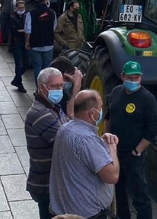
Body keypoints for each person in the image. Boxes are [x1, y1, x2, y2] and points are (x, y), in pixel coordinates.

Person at [49, 90, 120, 219]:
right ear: (92, 113)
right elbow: (112, 176)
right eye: (100, 108)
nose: (101, 112)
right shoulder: (87, 139)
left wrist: (101, 144)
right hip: (86, 214)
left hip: (63, 210)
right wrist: (112, 148)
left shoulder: (64, 128)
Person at [104, 62, 157, 219]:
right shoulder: (115, 92)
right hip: (115, 153)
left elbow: (152, 129)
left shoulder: (147, 99)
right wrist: (107, 141)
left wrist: (138, 150)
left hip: (134, 155)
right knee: (118, 191)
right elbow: (108, 116)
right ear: (122, 77)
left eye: (137, 78)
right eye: (130, 78)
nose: (134, 81)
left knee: (140, 194)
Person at [25, 68, 71, 219]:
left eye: (61, 86)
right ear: (41, 87)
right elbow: (68, 141)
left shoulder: (53, 107)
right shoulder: (40, 113)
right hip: (46, 184)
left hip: (52, 183)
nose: (59, 90)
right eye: (54, 86)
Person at [27, 0, 59, 83]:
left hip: (35, 44)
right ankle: (47, 87)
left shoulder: (31, 13)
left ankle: (39, 89)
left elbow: (28, 29)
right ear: (46, 1)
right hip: (49, 44)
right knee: (47, 68)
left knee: (37, 67)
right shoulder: (52, 13)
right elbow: (54, 27)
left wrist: (27, 42)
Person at [8, 0, 29, 92]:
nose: (22, 9)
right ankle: (19, 83)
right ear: (16, 8)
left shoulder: (26, 16)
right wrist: (24, 31)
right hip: (16, 42)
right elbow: (14, 31)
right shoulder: (12, 18)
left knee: (27, 63)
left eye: (23, 7)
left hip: (24, 42)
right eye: (20, 8)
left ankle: (16, 79)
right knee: (18, 62)